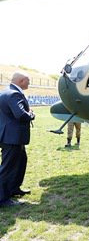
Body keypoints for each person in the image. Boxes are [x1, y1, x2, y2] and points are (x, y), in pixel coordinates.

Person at [0, 72, 35, 208]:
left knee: (20, 162)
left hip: (9, 136)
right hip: (12, 137)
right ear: (21, 81)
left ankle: (14, 188)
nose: (29, 83)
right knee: (8, 167)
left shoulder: (5, 92)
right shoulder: (15, 94)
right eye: (28, 81)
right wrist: (31, 114)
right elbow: (20, 115)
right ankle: (2, 198)